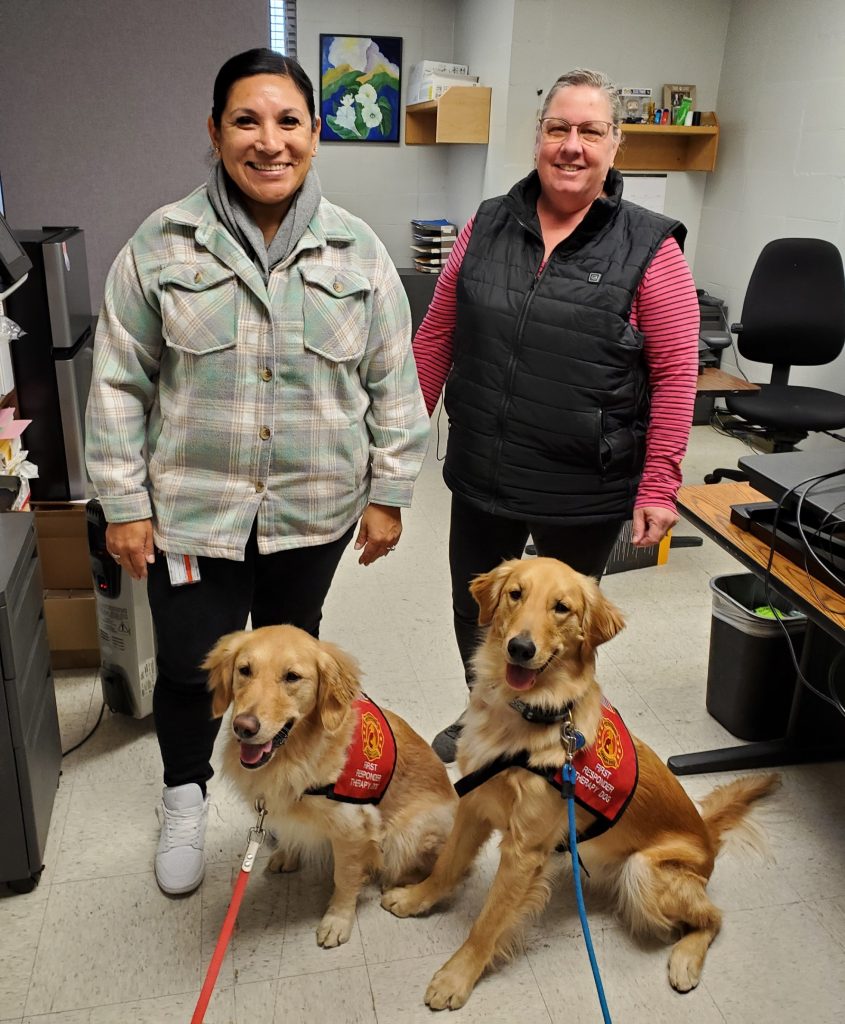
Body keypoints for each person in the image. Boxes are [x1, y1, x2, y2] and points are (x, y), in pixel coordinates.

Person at [85, 48, 429, 894]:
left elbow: (395, 379)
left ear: (314, 134)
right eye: (246, 120)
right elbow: (118, 382)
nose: (268, 141)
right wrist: (123, 503)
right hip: (192, 513)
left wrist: (389, 494)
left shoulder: (357, 250)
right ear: (215, 132)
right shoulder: (161, 243)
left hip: (313, 513)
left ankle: (279, 802)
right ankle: (184, 794)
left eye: (288, 122)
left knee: (287, 673)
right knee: (192, 666)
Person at [412, 68, 700, 762]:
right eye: (557, 129)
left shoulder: (650, 247)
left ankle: (546, 735)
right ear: (538, 138)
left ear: (613, 146)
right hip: (483, 467)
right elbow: (437, 335)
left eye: (589, 131)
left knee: (562, 626)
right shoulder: (485, 223)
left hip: (581, 485)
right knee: (479, 610)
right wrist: (395, 449)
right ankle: (487, 712)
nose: (571, 145)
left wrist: (659, 482)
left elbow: (675, 370)